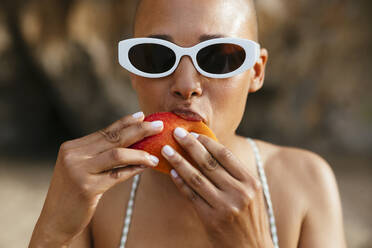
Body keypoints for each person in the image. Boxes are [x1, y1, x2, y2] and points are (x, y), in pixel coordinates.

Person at [29, 0, 347, 247]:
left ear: (256, 71)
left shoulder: (305, 183)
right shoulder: (94, 194)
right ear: (133, 73)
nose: (186, 84)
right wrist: (51, 232)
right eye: (156, 56)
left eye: (218, 56)